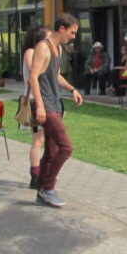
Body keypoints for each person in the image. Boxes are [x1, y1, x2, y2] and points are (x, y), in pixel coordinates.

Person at [29, 15, 84, 208]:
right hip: (47, 106)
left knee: (52, 151)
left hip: (55, 103)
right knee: (66, 147)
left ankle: (41, 191)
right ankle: (48, 188)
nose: (73, 36)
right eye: (72, 32)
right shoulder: (43, 47)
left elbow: (57, 75)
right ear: (61, 29)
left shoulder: (57, 49)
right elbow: (33, 77)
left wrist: (72, 89)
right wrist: (40, 105)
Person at [21, 24, 51, 189]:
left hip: (43, 99)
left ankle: (41, 172)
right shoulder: (31, 52)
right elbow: (35, 74)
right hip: (34, 100)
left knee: (44, 139)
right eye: (46, 38)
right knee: (38, 139)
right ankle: (35, 174)